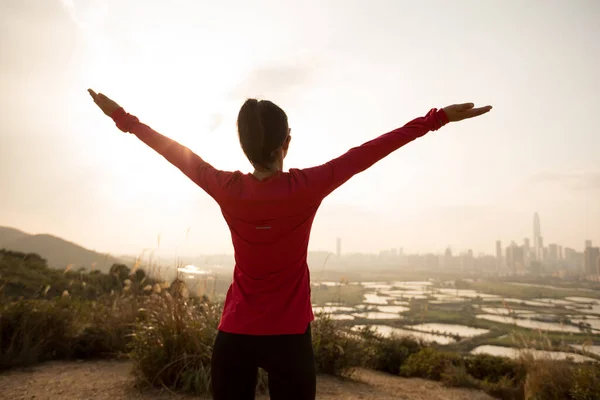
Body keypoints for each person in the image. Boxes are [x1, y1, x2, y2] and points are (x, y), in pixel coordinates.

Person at [88, 88, 492, 400]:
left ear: (244, 147)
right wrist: (436, 119)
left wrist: (121, 117)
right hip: (290, 338)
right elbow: (370, 151)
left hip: (235, 336)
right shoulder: (307, 186)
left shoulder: (225, 187)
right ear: (287, 143)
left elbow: (172, 151)